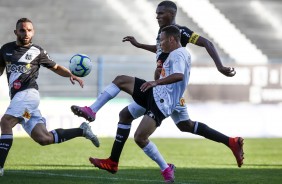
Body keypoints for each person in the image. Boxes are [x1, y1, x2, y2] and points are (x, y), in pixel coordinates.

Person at [71, 0, 244, 174]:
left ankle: (97, 121)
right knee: (183, 125)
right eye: (156, 13)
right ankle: (231, 142)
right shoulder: (163, 34)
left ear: (172, 14)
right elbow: (160, 49)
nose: (157, 16)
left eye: (161, 13)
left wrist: (220, 67)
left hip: (167, 90)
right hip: (167, 90)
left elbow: (207, 43)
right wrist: (139, 45)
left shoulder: (181, 32)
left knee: (139, 124)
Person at [86, 25, 191, 182]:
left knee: (140, 138)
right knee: (124, 107)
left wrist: (156, 82)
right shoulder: (174, 54)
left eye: (162, 41)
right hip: (156, 94)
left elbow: (178, 76)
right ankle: (92, 113)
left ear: (171, 39)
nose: (160, 44)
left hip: (162, 101)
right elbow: (167, 68)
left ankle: (166, 168)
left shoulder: (178, 54)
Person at [0, 18, 100, 176]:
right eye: (22, 30)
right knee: (43, 138)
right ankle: (81, 131)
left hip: (28, 95)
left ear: (33, 32)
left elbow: (56, 67)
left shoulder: (37, 51)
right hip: (22, 104)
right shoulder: (5, 50)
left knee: (6, 122)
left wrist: (70, 75)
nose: (26, 33)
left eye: (29, 30)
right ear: (16, 32)